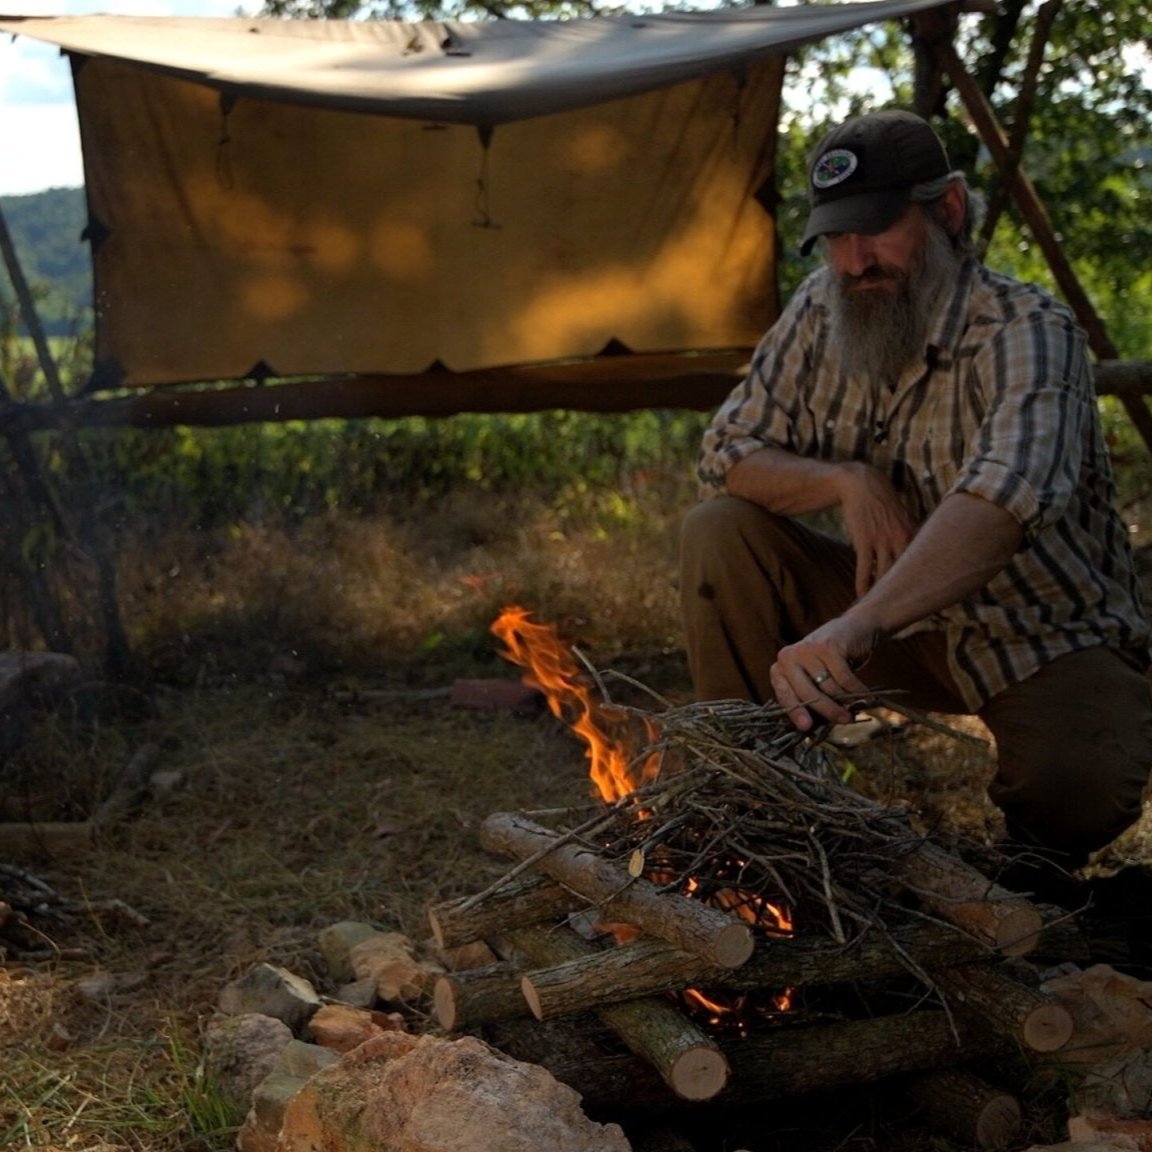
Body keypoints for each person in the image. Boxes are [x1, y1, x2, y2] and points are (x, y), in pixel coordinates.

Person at [679, 107, 1152, 881]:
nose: (854, 260)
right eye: (835, 236)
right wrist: (845, 480)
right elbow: (728, 452)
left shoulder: (1029, 328)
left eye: (877, 229)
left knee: (1079, 787)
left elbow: (999, 504)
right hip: (886, 620)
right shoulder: (819, 309)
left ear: (950, 211)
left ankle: (1029, 884)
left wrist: (856, 625)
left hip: (1038, 630)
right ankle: (753, 808)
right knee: (720, 530)